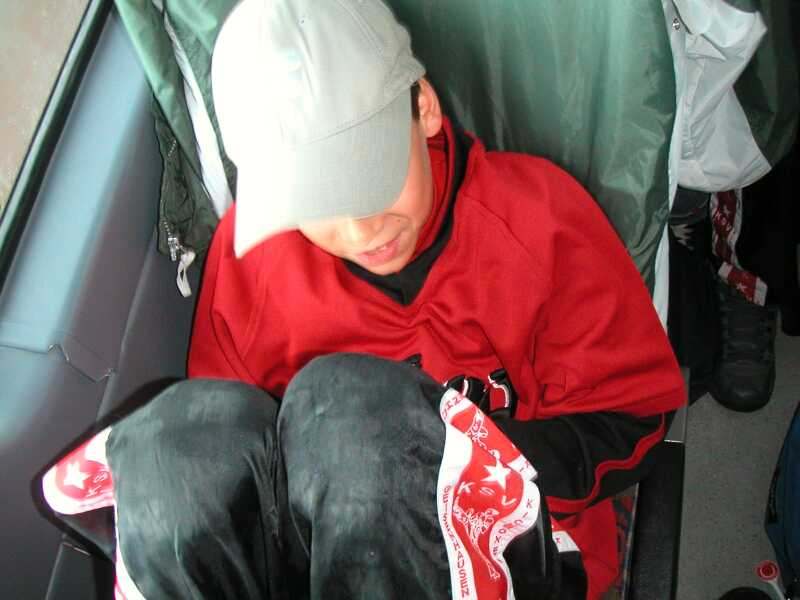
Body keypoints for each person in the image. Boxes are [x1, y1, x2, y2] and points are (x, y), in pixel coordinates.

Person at [39, 0, 686, 598]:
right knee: (175, 446)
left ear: (423, 107)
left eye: (373, 175)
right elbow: (231, 449)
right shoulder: (254, 260)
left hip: (505, 545)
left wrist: (458, 464)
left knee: (354, 416)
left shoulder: (539, 225)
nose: (360, 229)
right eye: (318, 200)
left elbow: (631, 418)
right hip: (321, 552)